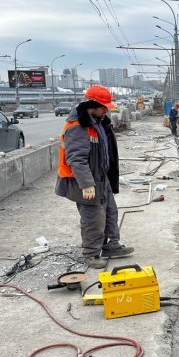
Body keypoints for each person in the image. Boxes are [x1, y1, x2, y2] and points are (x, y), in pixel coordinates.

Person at [55, 85, 134, 268]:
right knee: (93, 218)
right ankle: (91, 254)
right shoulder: (77, 127)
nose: (107, 109)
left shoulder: (98, 122)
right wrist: (87, 184)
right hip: (84, 181)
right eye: (104, 106)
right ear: (93, 105)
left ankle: (111, 246)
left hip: (101, 177)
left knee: (110, 212)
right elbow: (76, 159)